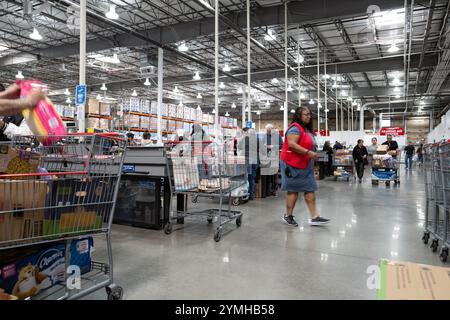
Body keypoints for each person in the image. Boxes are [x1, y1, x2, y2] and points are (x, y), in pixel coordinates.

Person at [280, 106, 330, 226]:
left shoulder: (306, 130)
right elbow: (291, 144)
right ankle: (288, 216)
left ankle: (315, 216)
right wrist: (308, 152)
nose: (309, 116)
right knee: (293, 190)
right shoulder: (295, 129)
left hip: (305, 165)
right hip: (293, 165)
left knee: (310, 189)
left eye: (309, 114)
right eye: (306, 114)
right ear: (299, 116)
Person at [238, 127, 260, 200]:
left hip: (246, 159)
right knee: (252, 177)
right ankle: (251, 194)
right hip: (255, 160)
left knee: (245, 177)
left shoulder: (244, 139)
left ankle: (244, 193)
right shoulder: (257, 140)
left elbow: (238, 147)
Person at [263, 123, 283, 196]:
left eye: (268, 131)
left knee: (274, 174)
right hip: (266, 157)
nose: (267, 132)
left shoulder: (277, 136)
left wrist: (273, 146)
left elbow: (282, 145)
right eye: (267, 131)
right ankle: (268, 190)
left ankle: (274, 190)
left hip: (275, 157)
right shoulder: (265, 136)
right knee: (268, 174)